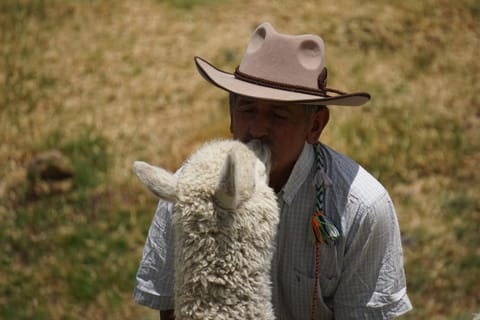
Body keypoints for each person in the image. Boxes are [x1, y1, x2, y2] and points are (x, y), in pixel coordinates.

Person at [133, 22, 412, 319]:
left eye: (279, 114)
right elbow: (172, 308)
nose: (257, 129)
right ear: (231, 114)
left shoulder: (362, 208)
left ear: (315, 125)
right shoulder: (191, 192)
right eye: (248, 109)